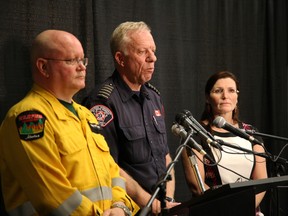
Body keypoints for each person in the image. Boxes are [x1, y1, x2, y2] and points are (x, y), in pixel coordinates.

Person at [0, 29, 139, 215]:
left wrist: (120, 206)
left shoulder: (86, 116)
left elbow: (113, 174)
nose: (82, 67)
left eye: (83, 60)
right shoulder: (28, 118)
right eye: (71, 60)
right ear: (43, 67)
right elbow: (52, 195)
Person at [83, 21, 179, 214]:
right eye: (143, 52)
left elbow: (165, 156)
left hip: (163, 207)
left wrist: (167, 200)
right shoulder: (102, 103)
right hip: (130, 208)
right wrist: (152, 204)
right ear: (120, 58)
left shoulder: (154, 97)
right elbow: (108, 168)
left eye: (153, 50)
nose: (153, 58)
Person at [181, 71, 267, 215]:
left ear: (237, 97)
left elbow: (262, 181)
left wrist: (244, 209)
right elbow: (198, 187)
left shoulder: (252, 133)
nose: (225, 96)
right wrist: (229, 210)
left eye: (231, 90)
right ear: (208, 97)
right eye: (218, 91)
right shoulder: (195, 135)